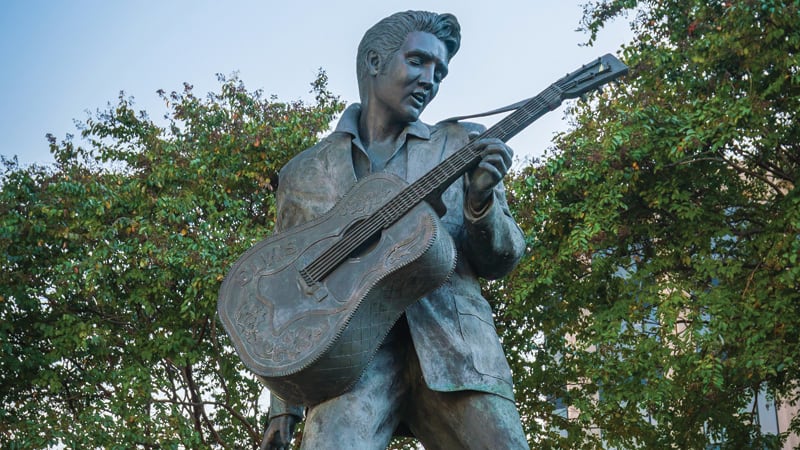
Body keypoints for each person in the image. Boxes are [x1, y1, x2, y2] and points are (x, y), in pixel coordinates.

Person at [261, 10, 528, 450]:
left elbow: (503, 258)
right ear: (373, 62)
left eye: (440, 71)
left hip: (457, 352)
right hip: (351, 365)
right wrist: (284, 405)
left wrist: (481, 204)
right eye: (419, 61)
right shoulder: (305, 173)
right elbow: (287, 294)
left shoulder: (460, 144)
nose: (431, 79)